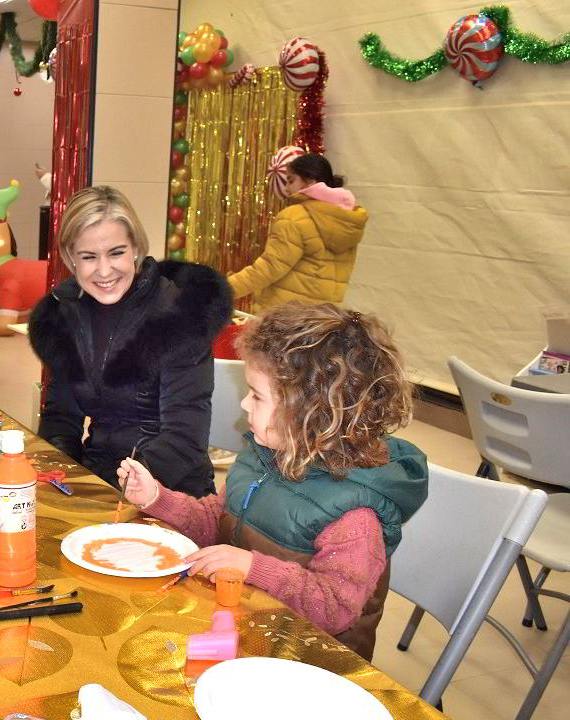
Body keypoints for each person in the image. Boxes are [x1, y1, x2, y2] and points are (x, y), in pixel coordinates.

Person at [117, 303, 429, 660]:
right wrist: (157, 497)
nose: (244, 404)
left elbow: (335, 609)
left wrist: (251, 567)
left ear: (310, 412)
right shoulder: (263, 455)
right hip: (246, 625)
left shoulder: (355, 514)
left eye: (257, 395)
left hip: (308, 660)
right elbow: (216, 522)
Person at [28, 185, 232, 496]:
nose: (104, 270)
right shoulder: (66, 316)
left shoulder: (180, 313)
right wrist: (64, 480)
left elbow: (183, 440)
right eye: (88, 257)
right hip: (98, 476)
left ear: (135, 247)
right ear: (71, 257)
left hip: (170, 490)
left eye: (116, 253)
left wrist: (119, 493)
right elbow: (61, 419)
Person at [226, 153, 368, 311]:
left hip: (284, 315)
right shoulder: (347, 221)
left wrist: (223, 290)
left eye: (291, 180)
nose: (286, 188)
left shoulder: (295, 216)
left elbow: (270, 267)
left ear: (310, 181)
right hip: (321, 316)